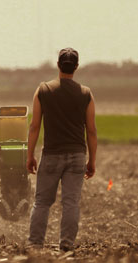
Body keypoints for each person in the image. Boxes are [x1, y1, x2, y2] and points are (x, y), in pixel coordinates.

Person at [26, 48, 97, 251]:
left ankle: (34, 244)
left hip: (51, 155)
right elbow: (91, 131)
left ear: (58, 65)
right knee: (71, 203)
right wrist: (91, 161)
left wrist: (30, 155)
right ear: (76, 67)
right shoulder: (86, 94)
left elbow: (34, 126)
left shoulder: (43, 90)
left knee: (41, 202)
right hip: (76, 156)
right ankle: (66, 245)